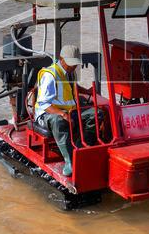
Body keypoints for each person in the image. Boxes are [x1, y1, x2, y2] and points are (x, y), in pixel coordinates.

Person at [34, 44, 102, 177]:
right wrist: (61, 113)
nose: (73, 67)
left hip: (69, 111)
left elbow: (72, 87)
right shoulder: (50, 75)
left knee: (96, 113)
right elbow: (43, 103)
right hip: (48, 114)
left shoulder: (70, 73)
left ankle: (81, 147)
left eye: (75, 64)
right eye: (71, 64)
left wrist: (86, 91)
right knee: (59, 121)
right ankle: (69, 161)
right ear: (61, 59)